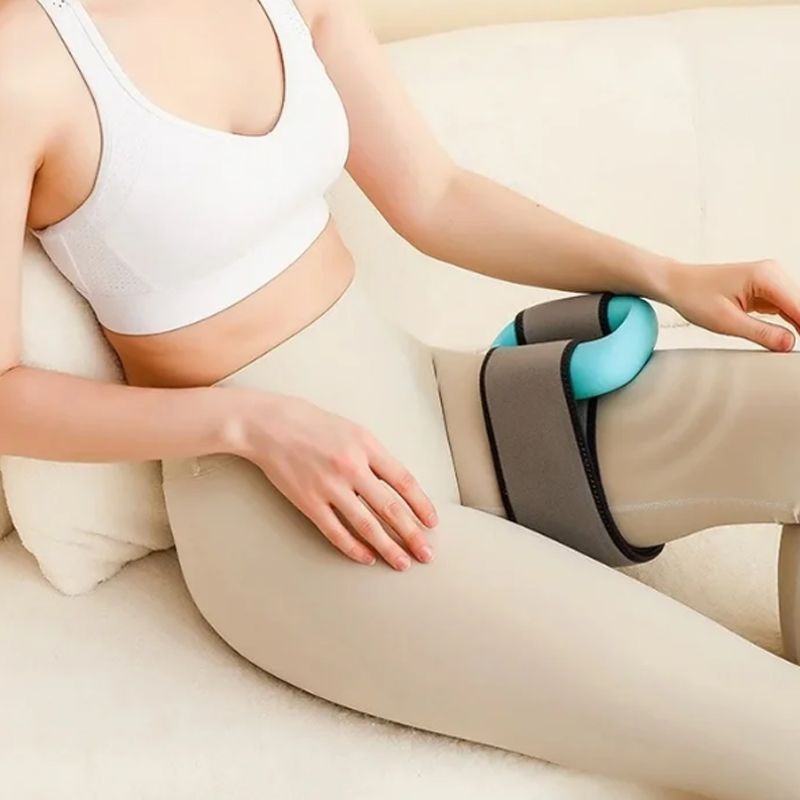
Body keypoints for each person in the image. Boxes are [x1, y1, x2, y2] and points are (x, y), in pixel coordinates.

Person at [4, 0, 800, 797]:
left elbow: (437, 195)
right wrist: (250, 423)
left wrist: (669, 277)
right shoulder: (23, 66)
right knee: (771, 723)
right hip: (285, 516)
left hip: (428, 400)